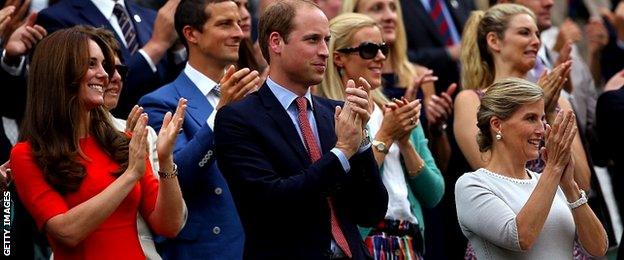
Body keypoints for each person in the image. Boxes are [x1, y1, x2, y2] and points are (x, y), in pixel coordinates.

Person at [214, 0, 388, 259]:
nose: (325, 52)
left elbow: (370, 211)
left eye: (326, 40)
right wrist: (341, 152)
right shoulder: (238, 119)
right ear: (276, 43)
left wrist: (361, 142)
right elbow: (274, 203)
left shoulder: (335, 113)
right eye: (312, 40)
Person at [10, 27, 186, 259]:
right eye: (91, 64)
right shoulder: (27, 154)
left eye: (104, 65)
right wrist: (130, 175)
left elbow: (169, 226)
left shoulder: (123, 142)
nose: (105, 75)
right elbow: (67, 231)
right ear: (59, 71)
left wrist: (165, 161)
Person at [139, 0, 260, 259]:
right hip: (206, 250)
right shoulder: (161, 102)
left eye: (238, 24)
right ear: (191, 34)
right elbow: (174, 176)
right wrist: (220, 115)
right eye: (225, 24)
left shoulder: (251, 94)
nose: (238, 33)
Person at [318, 12, 444, 259]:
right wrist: (386, 136)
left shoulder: (396, 111)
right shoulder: (327, 114)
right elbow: (345, 191)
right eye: (368, 49)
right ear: (339, 58)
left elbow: (434, 194)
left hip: (409, 240)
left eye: (383, 48)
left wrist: (406, 143)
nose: (380, 57)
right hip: (363, 240)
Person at [455, 77, 608, 259]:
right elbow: (521, 238)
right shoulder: (472, 185)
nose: (542, 130)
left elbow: (598, 248)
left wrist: (570, 188)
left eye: (542, 119)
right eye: (530, 118)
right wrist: (553, 168)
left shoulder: (549, 182)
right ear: (497, 124)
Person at [454, 3, 591, 189]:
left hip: (567, 214)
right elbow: (492, 173)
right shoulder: (471, 100)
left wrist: (549, 112)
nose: (536, 41)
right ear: (494, 41)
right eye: (525, 33)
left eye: (537, 34)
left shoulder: (558, 100)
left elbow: (583, 184)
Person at [341, 0, 453, 173]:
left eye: (393, 8)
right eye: (377, 8)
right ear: (354, 14)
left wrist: (436, 127)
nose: (390, 16)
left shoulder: (420, 76)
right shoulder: (349, 83)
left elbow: (441, 165)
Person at [89, 26, 165, 260]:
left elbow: (168, 223)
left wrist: (166, 158)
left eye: (119, 69)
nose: (116, 77)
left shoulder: (145, 134)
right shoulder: (47, 139)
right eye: (106, 68)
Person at [36, 0, 184, 117]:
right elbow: (68, 88)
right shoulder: (57, 17)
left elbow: (171, 83)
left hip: (164, 129)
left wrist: (178, 50)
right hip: (102, 133)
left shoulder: (152, 17)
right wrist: (156, 46)